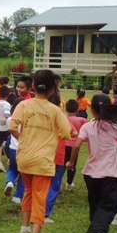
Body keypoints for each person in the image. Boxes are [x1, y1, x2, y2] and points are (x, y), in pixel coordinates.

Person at [8, 70, 72, 233]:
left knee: (28, 191)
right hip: (43, 161)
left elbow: (12, 127)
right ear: (52, 89)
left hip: (24, 158)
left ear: (33, 87)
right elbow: (68, 133)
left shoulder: (24, 105)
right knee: (40, 197)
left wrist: (24, 139)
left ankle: (24, 228)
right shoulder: (55, 110)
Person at [66, 94, 117, 233]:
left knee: (95, 204)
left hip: (90, 173)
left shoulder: (88, 126)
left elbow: (77, 145)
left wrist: (71, 162)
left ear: (91, 109)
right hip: (109, 174)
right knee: (108, 206)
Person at [43, 92, 68, 225]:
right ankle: (45, 213)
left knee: (41, 184)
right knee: (54, 184)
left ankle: (34, 211)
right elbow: (71, 132)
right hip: (57, 155)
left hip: (42, 153)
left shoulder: (41, 115)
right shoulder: (61, 116)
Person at [63, 99, 89, 192]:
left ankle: (57, 182)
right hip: (74, 147)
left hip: (63, 145)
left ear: (66, 109)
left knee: (61, 165)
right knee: (72, 164)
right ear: (78, 110)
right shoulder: (82, 120)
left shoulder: (63, 118)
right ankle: (69, 184)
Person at [3, 98, 25, 205]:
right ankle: (18, 196)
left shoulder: (10, 120)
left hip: (13, 149)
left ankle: (10, 182)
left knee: (12, 169)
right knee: (24, 174)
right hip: (25, 150)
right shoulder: (28, 120)